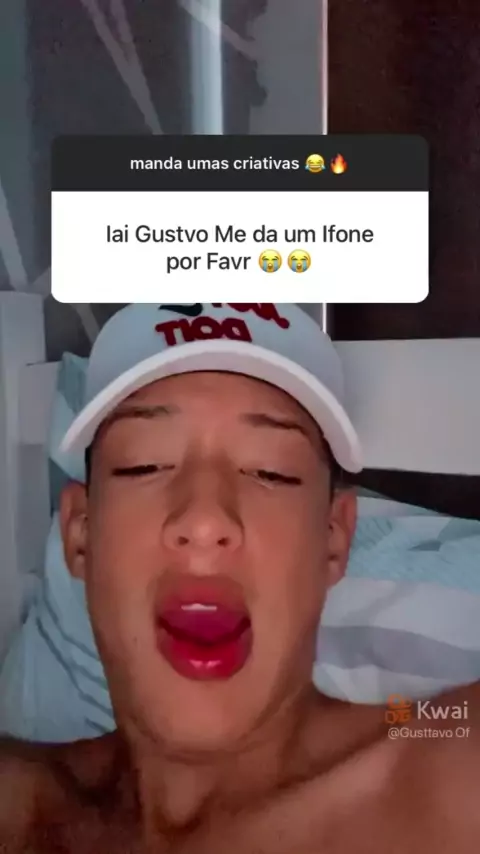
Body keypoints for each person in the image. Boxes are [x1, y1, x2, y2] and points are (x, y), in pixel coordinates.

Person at [0, 302, 479, 853]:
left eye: (270, 472)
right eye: (144, 465)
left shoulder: (448, 785)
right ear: (80, 535)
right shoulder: (20, 802)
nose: (205, 521)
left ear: (333, 540)